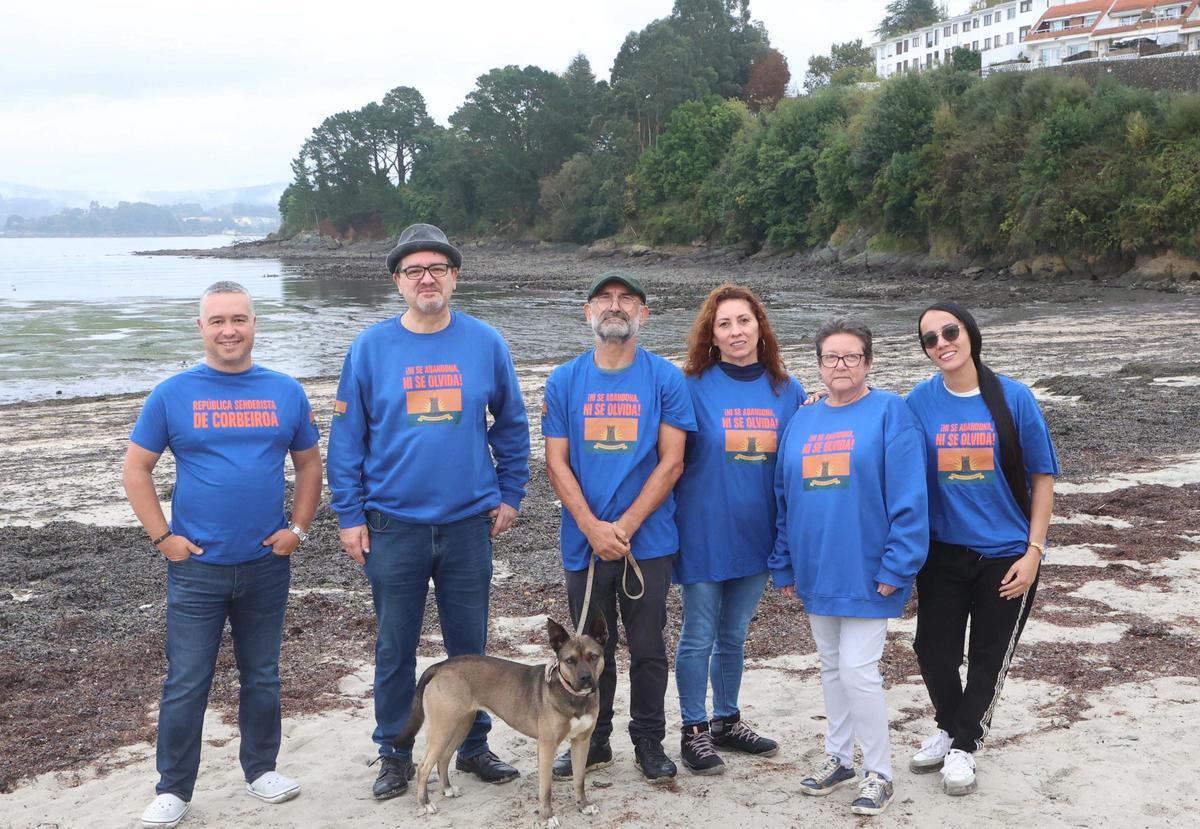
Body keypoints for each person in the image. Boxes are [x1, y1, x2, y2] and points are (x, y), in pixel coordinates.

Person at [326, 223, 530, 799]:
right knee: (395, 646)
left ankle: (473, 746)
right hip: (393, 523)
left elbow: (511, 426)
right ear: (398, 283)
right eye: (414, 270)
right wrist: (349, 515)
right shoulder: (370, 348)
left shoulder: (485, 342)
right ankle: (393, 750)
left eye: (437, 268)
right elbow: (347, 441)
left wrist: (510, 493)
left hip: (469, 524)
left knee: (471, 651)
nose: (426, 278)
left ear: (454, 277)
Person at [124, 281, 322, 829]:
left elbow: (309, 464)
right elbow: (135, 470)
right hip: (197, 569)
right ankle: (174, 788)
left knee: (263, 674)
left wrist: (298, 529)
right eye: (218, 321)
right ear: (201, 328)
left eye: (239, 319)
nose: (229, 330)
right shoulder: (172, 394)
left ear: (254, 323)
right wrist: (164, 539)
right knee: (187, 679)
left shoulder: (284, 391)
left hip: (265, 563)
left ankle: (261, 769)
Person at [769, 316, 928, 817]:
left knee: (860, 671)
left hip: (868, 569)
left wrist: (897, 567)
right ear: (818, 364)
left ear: (869, 362)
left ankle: (879, 771)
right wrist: (784, 563)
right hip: (816, 568)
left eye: (851, 356)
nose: (840, 365)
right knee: (832, 668)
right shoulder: (802, 417)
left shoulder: (890, 412)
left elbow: (909, 498)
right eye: (830, 357)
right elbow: (784, 496)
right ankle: (838, 758)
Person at [543, 270, 696, 784]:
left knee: (648, 648)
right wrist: (591, 526)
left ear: (643, 314)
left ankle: (649, 742)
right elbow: (556, 463)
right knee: (587, 651)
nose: (615, 306)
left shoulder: (665, 378)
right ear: (587, 312)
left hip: (646, 545)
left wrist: (623, 528)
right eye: (604, 299)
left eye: (626, 299)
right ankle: (596, 739)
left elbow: (671, 462)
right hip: (584, 545)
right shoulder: (564, 379)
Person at [904, 301, 1058, 796]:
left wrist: (1034, 551)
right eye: (930, 338)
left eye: (950, 331)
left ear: (969, 333)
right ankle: (951, 728)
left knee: (988, 657)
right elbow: (873, 426)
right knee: (932, 650)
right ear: (926, 351)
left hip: (1006, 555)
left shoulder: (1013, 397)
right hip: (943, 553)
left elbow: (1042, 477)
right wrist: (824, 400)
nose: (942, 342)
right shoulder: (918, 403)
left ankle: (964, 748)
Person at [671, 283, 805, 775]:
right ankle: (693, 730)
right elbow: (665, 458)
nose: (735, 331)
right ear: (712, 333)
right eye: (724, 323)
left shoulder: (786, 390)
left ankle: (727, 720)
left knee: (734, 635)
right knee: (698, 634)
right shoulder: (689, 385)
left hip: (759, 534)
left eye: (743, 321)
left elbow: (799, 466)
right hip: (703, 530)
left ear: (759, 326)